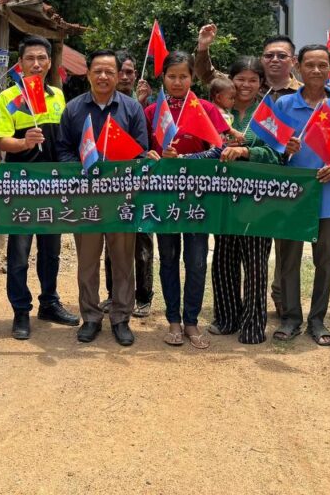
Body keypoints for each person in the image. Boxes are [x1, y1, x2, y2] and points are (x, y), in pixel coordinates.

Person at [56, 49, 148, 347]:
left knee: (122, 262)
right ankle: (91, 317)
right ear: (88, 74)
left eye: (110, 71)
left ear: (119, 75)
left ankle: (121, 318)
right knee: (87, 263)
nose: (104, 76)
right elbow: (63, 149)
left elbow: (140, 151)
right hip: (85, 198)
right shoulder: (73, 109)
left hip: (121, 198)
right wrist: (84, 169)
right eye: (98, 71)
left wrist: (119, 171)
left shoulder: (131, 108)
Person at [0, 36, 78, 340]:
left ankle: (49, 302)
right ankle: (20, 310)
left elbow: (66, 139)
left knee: (51, 250)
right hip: (21, 186)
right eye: (30, 58)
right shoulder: (9, 97)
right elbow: (1, 141)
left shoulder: (57, 95)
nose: (37, 64)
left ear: (50, 62)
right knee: (19, 251)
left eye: (42, 58)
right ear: (20, 63)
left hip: (53, 185)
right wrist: (24, 142)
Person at [144, 51, 229, 349]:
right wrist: (151, 155)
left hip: (198, 197)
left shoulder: (205, 108)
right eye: (172, 76)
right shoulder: (152, 111)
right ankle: (173, 320)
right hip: (163, 196)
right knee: (167, 258)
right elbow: (141, 149)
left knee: (196, 261)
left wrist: (186, 159)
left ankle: (191, 321)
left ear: (193, 78)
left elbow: (220, 149)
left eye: (183, 76)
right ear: (163, 77)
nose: (177, 82)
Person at [275, 45, 330, 346]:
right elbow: (273, 147)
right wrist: (285, 148)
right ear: (298, 67)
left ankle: (318, 319)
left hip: (328, 197)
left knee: (325, 262)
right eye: (310, 64)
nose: (316, 70)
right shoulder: (284, 104)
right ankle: (291, 317)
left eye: (322, 65)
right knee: (288, 261)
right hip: (292, 196)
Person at [202, 58, 279, 344]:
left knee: (256, 262)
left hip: (258, 199)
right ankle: (226, 318)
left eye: (252, 80)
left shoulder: (268, 113)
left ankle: (253, 324)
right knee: (224, 258)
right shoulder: (217, 111)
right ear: (231, 80)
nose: (246, 85)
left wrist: (247, 152)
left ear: (261, 83)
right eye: (240, 79)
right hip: (222, 196)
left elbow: (277, 154)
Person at [102, 51, 156, 319]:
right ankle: (113, 294)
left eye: (129, 72)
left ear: (136, 75)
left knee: (142, 242)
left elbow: (144, 146)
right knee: (111, 243)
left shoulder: (148, 106)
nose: (125, 76)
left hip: (141, 183)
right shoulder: (102, 103)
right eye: (120, 71)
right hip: (110, 186)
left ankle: (143, 296)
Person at [195, 25, 302, 100]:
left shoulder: (303, 92)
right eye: (269, 55)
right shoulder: (240, 84)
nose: (274, 59)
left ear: (293, 61)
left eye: (282, 56)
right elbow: (207, 75)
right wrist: (203, 46)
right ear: (261, 59)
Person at [209, 75, 246, 144]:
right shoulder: (216, 111)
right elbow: (223, 126)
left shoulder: (224, 111)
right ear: (218, 97)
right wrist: (235, 133)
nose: (233, 101)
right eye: (231, 98)